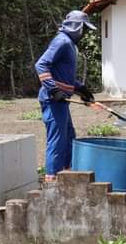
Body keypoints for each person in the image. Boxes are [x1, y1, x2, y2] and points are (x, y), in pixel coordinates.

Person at [35, 10, 96, 182]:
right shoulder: (62, 42)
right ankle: (52, 182)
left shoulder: (69, 44)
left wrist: (81, 89)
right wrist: (53, 90)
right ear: (76, 27)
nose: (85, 34)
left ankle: (67, 177)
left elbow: (64, 77)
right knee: (57, 141)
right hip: (53, 101)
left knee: (69, 138)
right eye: (84, 29)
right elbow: (41, 65)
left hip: (61, 102)